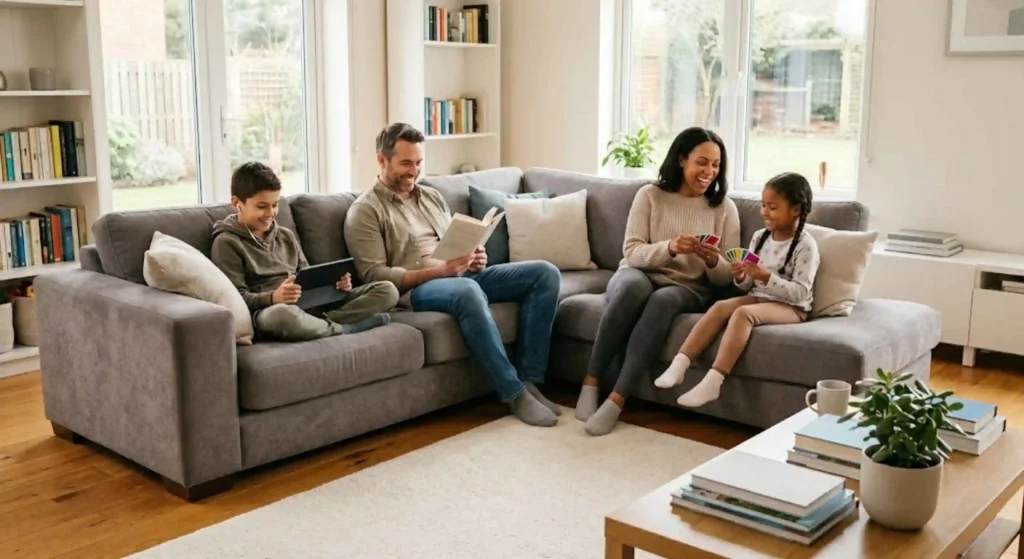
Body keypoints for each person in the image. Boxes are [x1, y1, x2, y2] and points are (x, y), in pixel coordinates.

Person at [344, 123, 562, 427]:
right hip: (417, 290)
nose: (414, 171)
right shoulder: (365, 211)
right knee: (467, 291)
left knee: (545, 274)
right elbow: (374, 275)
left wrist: (475, 256)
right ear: (382, 160)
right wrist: (441, 271)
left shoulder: (431, 197)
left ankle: (530, 381)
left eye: (419, 162)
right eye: (406, 163)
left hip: (459, 275)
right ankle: (513, 392)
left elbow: (453, 241)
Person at [576, 127, 741, 436]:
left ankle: (616, 399)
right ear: (682, 159)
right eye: (702, 162)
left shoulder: (724, 209)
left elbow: (725, 277)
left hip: (687, 287)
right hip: (637, 273)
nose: (709, 172)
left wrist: (711, 260)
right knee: (633, 288)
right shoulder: (650, 195)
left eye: (716, 165)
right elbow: (632, 252)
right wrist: (670, 248)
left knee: (663, 300)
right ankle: (591, 382)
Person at [656, 172, 819, 407]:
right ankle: (680, 364)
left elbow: (800, 293)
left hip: (792, 307)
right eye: (763, 205)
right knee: (720, 307)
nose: (764, 212)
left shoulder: (806, 246)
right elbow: (747, 285)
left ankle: (714, 381)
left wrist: (765, 276)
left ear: (796, 209)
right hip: (759, 297)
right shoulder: (759, 237)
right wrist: (741, 276)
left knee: (743, 314)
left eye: (772, 207)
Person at [211, 161, 399, 341]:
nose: (270, 213)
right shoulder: (227, 243)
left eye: (275, 205)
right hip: (273, 310)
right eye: (261, 206)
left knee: (387, 290)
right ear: (236, 203)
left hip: (308, 303)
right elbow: (235, 299)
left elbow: (307, 277)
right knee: (282, 316)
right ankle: (344, 328)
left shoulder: (285, 236)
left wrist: (335, 287)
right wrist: (273, 297)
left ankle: (319, 324)